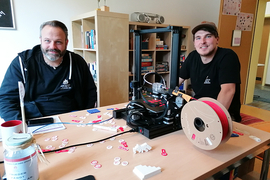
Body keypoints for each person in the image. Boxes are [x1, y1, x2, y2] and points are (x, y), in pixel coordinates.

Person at [0, 20, 97, 121]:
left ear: (66, 43)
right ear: (41, 40)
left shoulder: (77, 62)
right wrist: (21, 125)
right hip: (33, 121)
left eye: (58, 42)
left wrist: (84, 117)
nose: (52, 46)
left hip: (72, 119)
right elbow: (5, 100)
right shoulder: (22, 63)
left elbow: (90, 92)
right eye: (47, 41)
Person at [179, 21, 242, 122]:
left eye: (208, 36)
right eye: (198, 38)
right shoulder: (192, 57)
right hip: (199, 107)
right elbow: (177, 80)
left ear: (217, 39)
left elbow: (228, 91)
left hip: (224, 113)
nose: (202, 41)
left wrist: (213, 119)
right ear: (194, 43)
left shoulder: (228, 56)